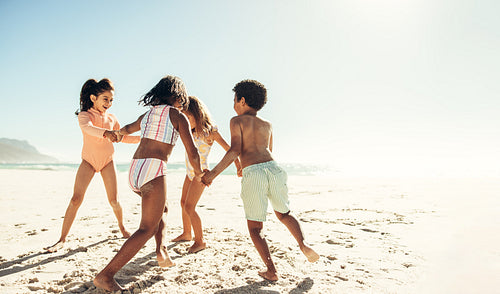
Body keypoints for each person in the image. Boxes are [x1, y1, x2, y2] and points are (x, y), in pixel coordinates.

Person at [94, 75, 204, 292]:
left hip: (135, 169)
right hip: (154, 169)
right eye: (181, 98)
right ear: (177, 96)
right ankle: (105, 275)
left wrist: (117, 134)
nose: (182, 103)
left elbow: (127, 128)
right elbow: (192, 151)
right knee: (146, 227)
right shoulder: (177, 115)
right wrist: (199, 174)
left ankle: (161, 250)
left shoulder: (148, 114)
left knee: (161, 208)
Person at [202, 79, 320, 281]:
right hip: (274, 169)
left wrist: (212, 174)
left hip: (254, 173)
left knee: (255, 228)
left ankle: (271, 270)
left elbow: (235, 150)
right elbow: (268, 151)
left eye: (234, 100)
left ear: (242, 100)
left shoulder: (236, 120)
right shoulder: (268, 124)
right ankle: (303, 244)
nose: (233, 105)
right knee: (284, 214)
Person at [46, 78, 139, 253]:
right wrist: (107, 133)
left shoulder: (112, 119)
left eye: (111, 100)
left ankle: (122, 227)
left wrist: (143, 139)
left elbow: (122, 137)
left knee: (114, 201)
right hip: (88, 161)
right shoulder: (85, 116)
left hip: (107, 161)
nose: (109, 103)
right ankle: (61, 239)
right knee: (76, 199)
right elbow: (88, 129)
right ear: (93, 97)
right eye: (105, 99)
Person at [171, 96, 242, 253]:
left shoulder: (211, 132)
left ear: (198, 114)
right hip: (189, 172)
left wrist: (238, 165)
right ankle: (187, 233)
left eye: (188, 117)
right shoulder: (189, 131)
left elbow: (230, 150)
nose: (186, 121)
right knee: (183, 202)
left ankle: (200, 241)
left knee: (190, 207)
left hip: (201, 175)